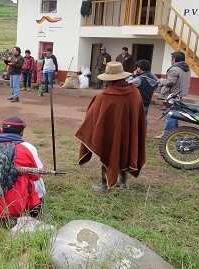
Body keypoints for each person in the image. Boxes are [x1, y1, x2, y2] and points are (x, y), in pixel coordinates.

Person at [75, 61, 146, 190]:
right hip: (129, 133)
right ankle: (123, 182)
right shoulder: (135, 92)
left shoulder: (104, 97)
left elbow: (92, 117)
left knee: (110, 150)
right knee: (126, 149)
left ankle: (104, 186)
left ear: (109, 79)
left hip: (111, 133)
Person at [155, 51, 191, 138]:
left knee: (170, 114)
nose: (171, 60)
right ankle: (174, 133)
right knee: (175, 113)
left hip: (172, 94)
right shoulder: (186, 68)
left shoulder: (174, 69)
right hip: (179, 94)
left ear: (174, 59)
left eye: (171, 59)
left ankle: (167, 134)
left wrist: (161, 81)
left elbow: (171, 82)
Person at [128, 59, 158, 127]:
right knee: (144, 119)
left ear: (139, 68)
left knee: (135, 121)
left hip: (138, 103)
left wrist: (133, 75)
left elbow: (127, 84)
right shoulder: (154, 77)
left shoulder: (139, 79)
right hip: (147, 102)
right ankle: (143, 134)